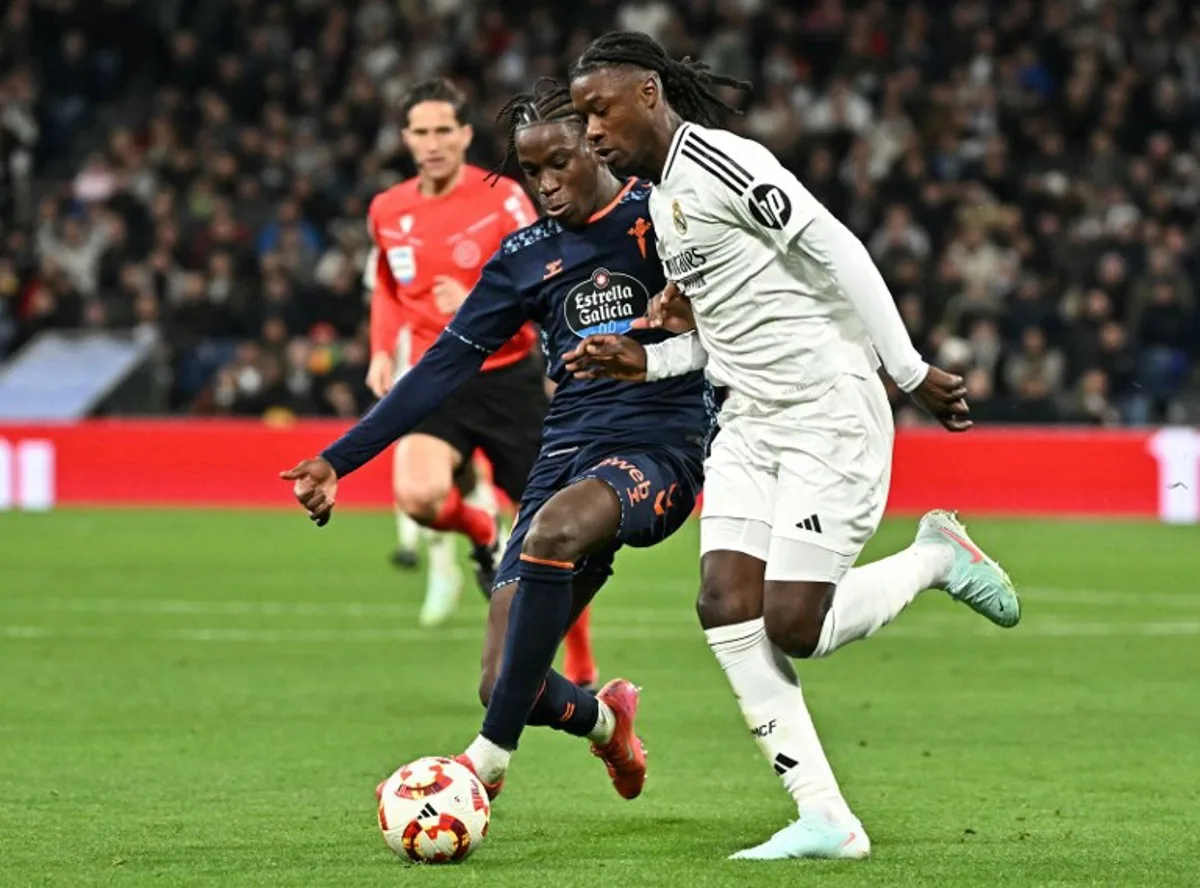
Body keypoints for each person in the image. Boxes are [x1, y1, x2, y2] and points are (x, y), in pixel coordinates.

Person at [562, 32, 1022, 860]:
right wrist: (646, 358)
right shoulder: (665, 205)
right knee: (722, 602)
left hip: (827, 411)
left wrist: (908, 368)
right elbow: (726, 338)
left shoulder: (724, 163)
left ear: (648, 95)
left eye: (600, 109)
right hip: (747, 421)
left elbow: (837, 246)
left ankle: (937, 557)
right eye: (580, 115)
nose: (590, 132)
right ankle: (826, 818)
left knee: (796, 623)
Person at [282, 80, 715, 802]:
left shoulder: (660, 214)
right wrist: (339, 459)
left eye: (559, 164)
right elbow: (441, 369)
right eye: (531, 171)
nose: (545, 185)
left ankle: (486, 760)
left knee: (552, 533)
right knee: (502, 681)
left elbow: (738, 312)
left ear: (595, 143)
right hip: (564, 453)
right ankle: (609, 724)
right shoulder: (524, 256)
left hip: (657, 446)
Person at [363, 78, 547, 635]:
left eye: (444, 129)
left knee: (548, 529)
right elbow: (390, 289)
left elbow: (544, 280)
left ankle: (583, 669)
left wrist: (477, 303)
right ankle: (481, 529)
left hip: (508, 373)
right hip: (435, 374)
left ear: (466, 134)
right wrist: (379, 352)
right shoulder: (388, 210)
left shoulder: (504, 197)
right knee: (418, 497)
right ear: (406, 138)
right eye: (421, 132)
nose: (433, 142)